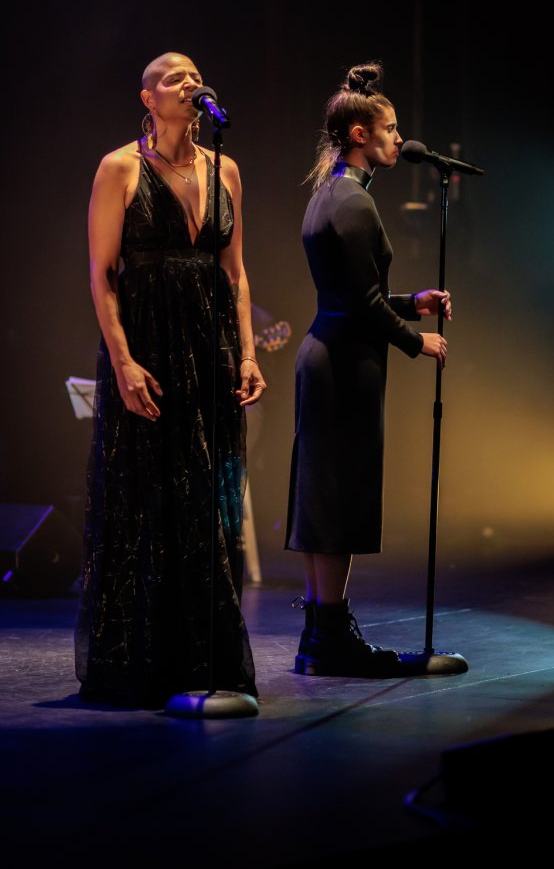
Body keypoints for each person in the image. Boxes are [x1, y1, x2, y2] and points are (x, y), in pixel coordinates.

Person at [75, 51, 266, 707]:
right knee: (145, 497)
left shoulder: (225, 169)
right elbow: (102, 273)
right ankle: (141, 660)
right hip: (148, 345)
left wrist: (246, 352)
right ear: (147, 97)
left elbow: (236, 274)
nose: (189, 82)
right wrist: (124, 360)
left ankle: (202, 656)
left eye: (194, 74)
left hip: (210, 346)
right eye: (173, 77)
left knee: (207, 503)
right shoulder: (119, 167)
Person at [286, 61, 451, 676]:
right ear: (359, 133)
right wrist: (416, 340)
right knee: (336, 498)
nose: (395, 138)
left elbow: (355, 291)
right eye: (388, 129)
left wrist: (414, 301)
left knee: (326, 495)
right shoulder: (353, 201)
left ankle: (320, 633)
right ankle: (330, 636)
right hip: (343, 363)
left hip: (332, 354)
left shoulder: (331, 193)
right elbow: (360, 302)